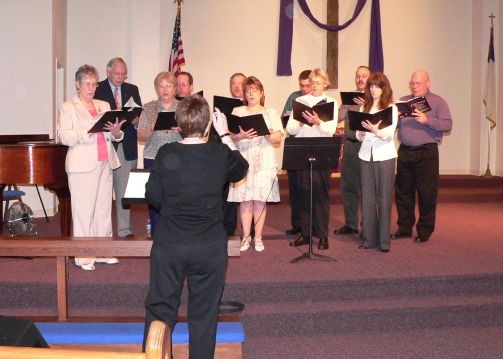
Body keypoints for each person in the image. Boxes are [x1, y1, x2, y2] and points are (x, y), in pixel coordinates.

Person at [143, 95, 248, 359]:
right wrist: (225, 134)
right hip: (209, 246)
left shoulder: (166, 153)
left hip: (170, 244)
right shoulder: (219, 152)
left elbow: (153, 197)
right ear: (208, 125)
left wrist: (172, 210)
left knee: (160, 309)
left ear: (178, 124)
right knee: (204, 314)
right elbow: (241, 169)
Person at [57, 65, 124, 271]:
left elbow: (115, 137)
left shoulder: (103, 104)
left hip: (105, 161)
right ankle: (84, 256)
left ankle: (103, 251)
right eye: (87, 84)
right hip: (82, 165)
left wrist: (116, 132)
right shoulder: (68, 107)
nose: (91, 88)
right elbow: (64, 137)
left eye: (94, 84)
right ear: (78, 84)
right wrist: (90, 130)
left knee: (103, 209)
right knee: (83, 211)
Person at [391, 69, 453, 243]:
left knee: (426, 193)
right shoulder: (403, 101)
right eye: (412, 83)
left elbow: (448, 125)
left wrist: (428, 120)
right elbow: (393, 127)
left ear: (428, 82)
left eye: (418, 83)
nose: (414, 86)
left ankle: (425, 230)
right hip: (405, 150)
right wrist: (394, 119)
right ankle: (404, 227)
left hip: (426, 152)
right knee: (403, 192)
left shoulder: (438, 102)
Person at [227, 76, 283, 252]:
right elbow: (228, 138)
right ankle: (245, 237)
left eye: (254, 90)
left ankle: (258, 237)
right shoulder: (237, 111)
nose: (251, 93)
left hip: (263, 161)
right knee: (245, 200)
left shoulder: (271, 112)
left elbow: (277, 138)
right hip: (244, 159)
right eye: (248, 90)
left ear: (261, 93)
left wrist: (266, 132)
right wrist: (240, 136)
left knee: (259, 200)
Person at [287, 68, 338, 250]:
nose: (314, 86)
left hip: (322, 149)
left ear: (326, 83)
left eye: (318, 82)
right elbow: (291, 129)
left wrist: (318, 121)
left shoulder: (331, 102)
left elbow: (330, 130)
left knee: (320, 193)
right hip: (303, 148)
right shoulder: (300, 101)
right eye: (312, 82)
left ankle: (323, 235)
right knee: (303, 192)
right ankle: (305, 233)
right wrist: (300, 121)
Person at [94, 57, 142, 238]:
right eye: (117, 74)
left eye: (123, 74)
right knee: (103, 190)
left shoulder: (132, 89)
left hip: (126, 144)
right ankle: (103, 230)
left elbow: (138, 114)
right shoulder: (97, 89)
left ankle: (124, 230)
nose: (120, 77)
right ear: (108, 72)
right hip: (105, 144)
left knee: (124, 190)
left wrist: (137, 121)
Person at [355, 72, 398, 252]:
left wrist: (375, 129)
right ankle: (368, 239)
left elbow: (388, 136)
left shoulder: (391, 108)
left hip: (385, 156)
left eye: (377, 86)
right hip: (366, 155)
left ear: (384, 88)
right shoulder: (364, 107)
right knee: (368, 198)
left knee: (384, 197)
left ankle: (384, 241)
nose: (373, 89)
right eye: (371, 86)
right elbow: (357, 134)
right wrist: (363, 133)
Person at [137, 71, 181, 232]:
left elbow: (193, 133)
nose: (165, 89)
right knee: (155, 197)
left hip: (179, 158)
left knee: (176, 197)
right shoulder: (148, 108)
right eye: (161, 86)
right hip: (153, 157)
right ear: (156, 89)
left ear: (175, 88)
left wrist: (182, 129)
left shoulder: (183, 107)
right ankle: (156, 233)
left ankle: (176, 234)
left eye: (168, 86)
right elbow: (140, 135)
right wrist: (151, 127)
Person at [334, 66, 371, 236]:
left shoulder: (374, 98)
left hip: (366, 146)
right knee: (348, 185)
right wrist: (345, 107)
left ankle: (367, 226)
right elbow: (338, 118)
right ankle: (351, 224)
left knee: (366, 187)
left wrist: (367, 106)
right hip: (349, 145)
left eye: (364, 76)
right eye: (358, 76)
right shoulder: (350, 97)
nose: (360, 79)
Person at [282, 69, 312, 236]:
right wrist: (288, 116)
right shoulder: (294, 96)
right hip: (294, 143)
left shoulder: (315, 99)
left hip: (308, 144)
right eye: (301, 86)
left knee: (307, 186)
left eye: (307, 85)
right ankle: (297, 223)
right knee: (294, 186)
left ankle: (309, 224)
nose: (304, 89)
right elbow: (283, 118)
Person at [222, 72, 247, 236]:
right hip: (230, 151)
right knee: (228, 191)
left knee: (250, 194)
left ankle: (250, 230)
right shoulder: (224, 107)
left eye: (240, 83)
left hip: (248, 150)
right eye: (233, 84)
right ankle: (228, 228)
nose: (237, 87)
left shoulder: (253, 105)